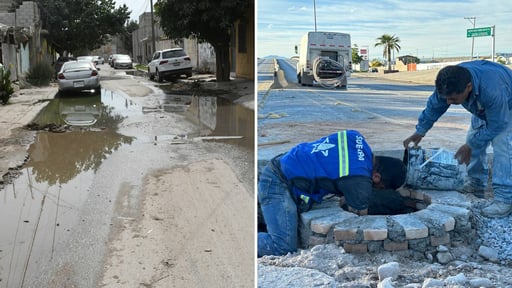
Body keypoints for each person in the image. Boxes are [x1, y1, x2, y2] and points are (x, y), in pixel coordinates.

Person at [258, 130, 407, 257]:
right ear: (376, 177)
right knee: (282, 247)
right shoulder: (358, 180)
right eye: (380, 188)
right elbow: (361, 217)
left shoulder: (356, 137)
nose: (374, 190)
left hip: (286, 162)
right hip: (278, 182)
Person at [403, 60, 512, 218]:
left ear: (468, 87)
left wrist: (470, 145)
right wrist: (420, 131)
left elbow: (497, 125)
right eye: (446, 98)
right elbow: (434, 107)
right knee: (473, 138)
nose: (448, 102)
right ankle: (476, 184)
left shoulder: (492, 90)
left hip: (507, 106)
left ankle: (504, 200)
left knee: (503, 146)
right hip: (482, 105)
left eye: (453, 99)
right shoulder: (449, 83)